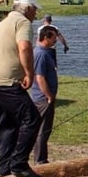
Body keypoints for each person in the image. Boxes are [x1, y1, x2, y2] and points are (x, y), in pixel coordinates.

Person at [0, 0, 44, 177]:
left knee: (7, 126)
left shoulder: (0, 25)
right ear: (28, 8)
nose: (35, 13)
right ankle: (19, 163)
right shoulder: (23, 22)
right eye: (34, 9)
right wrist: (29, 73)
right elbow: (24, 47)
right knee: (32, 118)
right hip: (6, 82)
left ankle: (4, 168)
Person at [31, 25, 59, 164]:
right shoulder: (41, 54)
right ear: (46, 37)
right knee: (42, 130)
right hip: (42, 99)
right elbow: (39, 77)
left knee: (45, 130)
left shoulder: (46, 52)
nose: (56, 41)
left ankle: (42, 158)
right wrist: (49, 95)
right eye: (54, 38)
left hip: (44, 98)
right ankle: (40, 161)